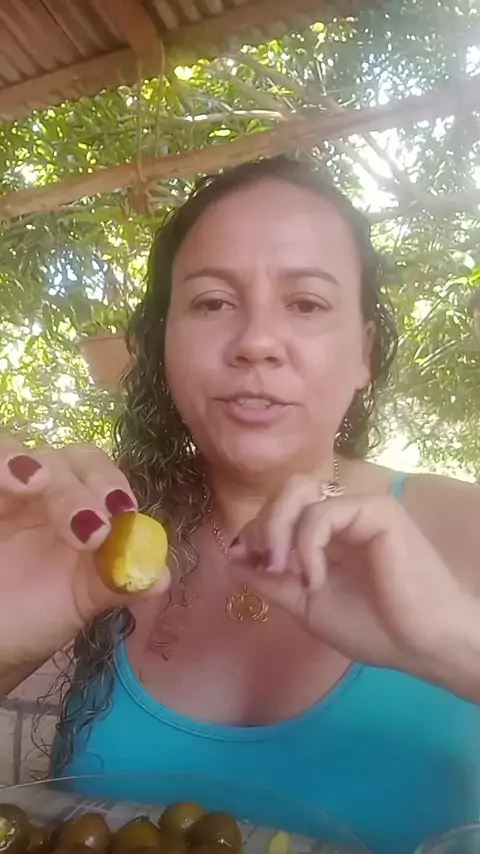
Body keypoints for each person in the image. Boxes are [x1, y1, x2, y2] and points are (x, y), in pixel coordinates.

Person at [1, 156, 480, 854]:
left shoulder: (466, 527)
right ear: (164, 344)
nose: (256, 342)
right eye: (212, 303)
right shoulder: (101, 537)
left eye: (307, 303)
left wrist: (454, 645)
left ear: (364, 351)